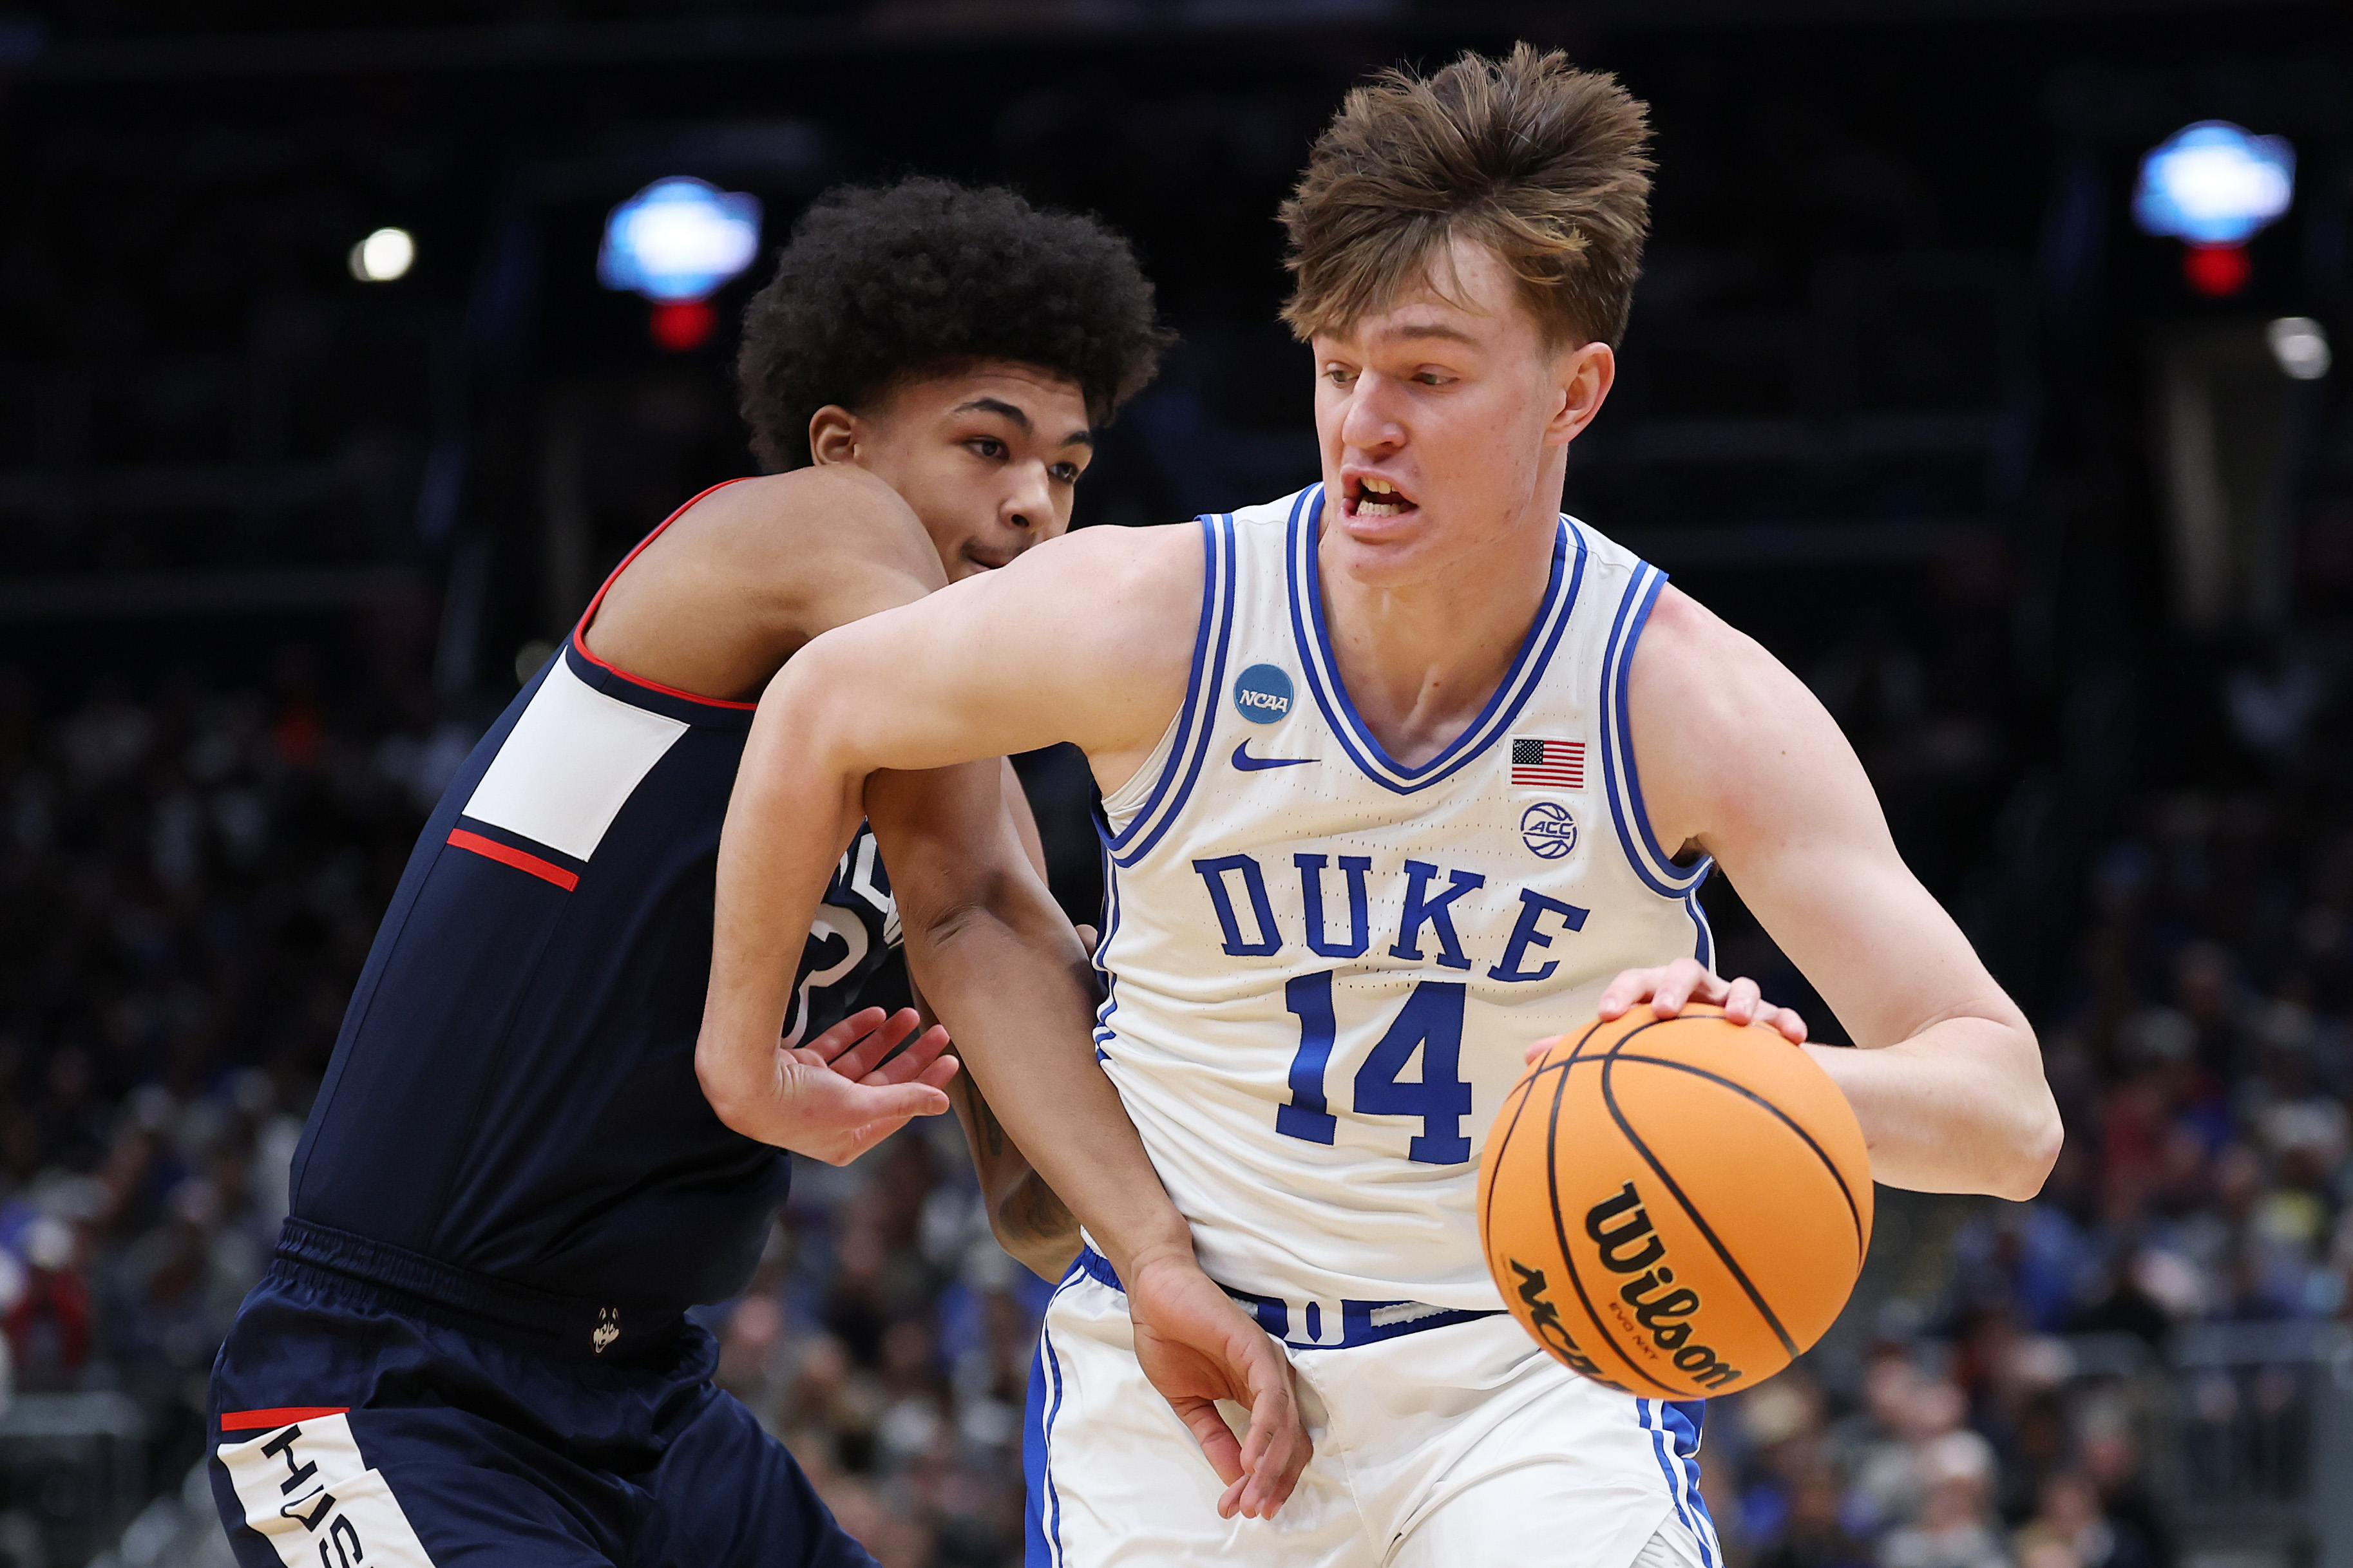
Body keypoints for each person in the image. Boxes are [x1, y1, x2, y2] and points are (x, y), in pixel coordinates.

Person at [702, 46, 2064, 1568]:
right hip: (1191, 1367)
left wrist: (1751, 1085)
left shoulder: (1685, 701)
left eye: (1426, 376)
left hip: (1525, 1376)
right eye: (1339, 369)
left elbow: (2008, 1115)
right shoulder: (1162, 615)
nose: (1364, 427)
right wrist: (738, 1053)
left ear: (1574, 391)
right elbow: (819, 707)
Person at [204, 176, 1164, 1568]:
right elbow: (975, 903)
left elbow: (1035, 1195)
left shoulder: (965, 790)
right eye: (985, 445)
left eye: (1067, 470)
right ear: (842, 445)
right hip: (397, 1386)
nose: (1033, 507)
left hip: (651, 1411)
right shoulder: (812, 526)